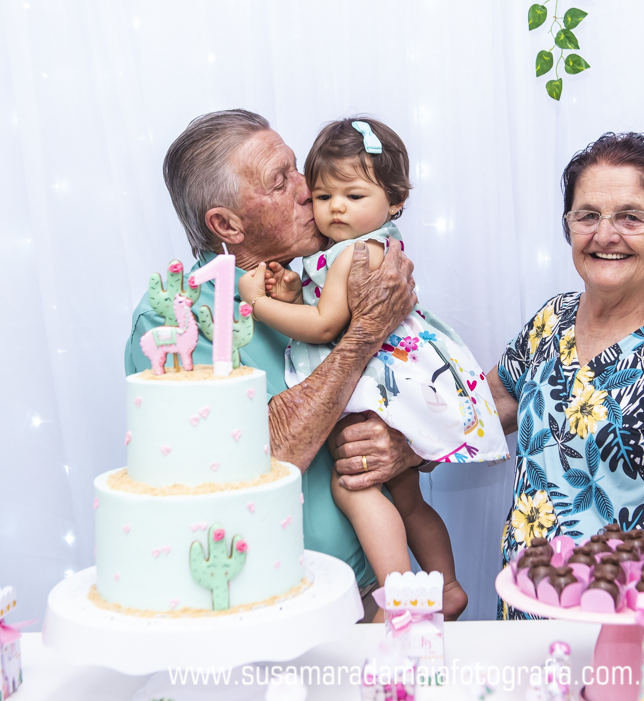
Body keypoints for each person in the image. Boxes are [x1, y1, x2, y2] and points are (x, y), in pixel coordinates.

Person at [124, 109, 424, 620]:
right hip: (264, 607)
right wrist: (363, 335)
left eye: (297, 168)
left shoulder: (329, 273)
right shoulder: (175, 322)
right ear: (226, 225)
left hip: (372, 595)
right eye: (280, 181)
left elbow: (417, 392)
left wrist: (403, 448)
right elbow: (256, 464)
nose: (310, 189)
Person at [239, 117, 507, 620]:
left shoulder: (353, 255)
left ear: (396, 200)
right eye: (323, 196)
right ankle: (447, 585)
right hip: (393, 374)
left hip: (378, 383)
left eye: (354, 196)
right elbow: (330, 313)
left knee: (353, 486)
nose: (335, 207)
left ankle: (399, 597)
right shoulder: (362, 246)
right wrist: (296, 294)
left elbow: (324, 326)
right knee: (405, 496)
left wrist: (261, 305)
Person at [485, 132, 644, 620]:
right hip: (523, 613)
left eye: (631, 217)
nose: (605, 235)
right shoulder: (552, 319)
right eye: (587, 216)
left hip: (633, 625)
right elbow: (493, 402)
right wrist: (401, 440)